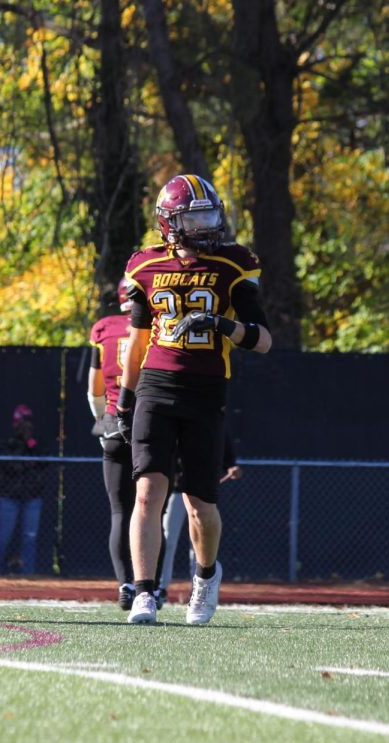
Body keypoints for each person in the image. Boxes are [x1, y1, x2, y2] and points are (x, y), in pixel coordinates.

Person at [115, 173, 272, 625]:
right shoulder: (145, 266)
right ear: (170, 223)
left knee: (199, 504)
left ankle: (205, 576)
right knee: (147, 493)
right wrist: (122, 403)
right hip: (154, 387)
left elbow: (263, 340)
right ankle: (145, 592)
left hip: (206, 390)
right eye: (196, 217)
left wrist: (222, 325)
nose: (208, 225)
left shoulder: (233, 263)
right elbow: (137, 342)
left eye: (209, 214)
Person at [88, 277, 148, 610]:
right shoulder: (157, 325)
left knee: (120, 512)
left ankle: (126, 584)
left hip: (113, 421)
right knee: (151, 509)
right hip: (151, 424)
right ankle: (149, 588)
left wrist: (104, 421)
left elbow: (94, 390)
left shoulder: (104, 328)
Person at [158, 435, 242, 600]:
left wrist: (231, 464)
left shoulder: (211, 417)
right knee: (168, 539)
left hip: (201, 490)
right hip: (177, 490)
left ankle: (199, 588)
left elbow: (221, 440)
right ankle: (160, 587)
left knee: (200, 542)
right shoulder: (172, 419)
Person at [0, 404, 46, 574]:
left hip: (32, 496)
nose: (26, 425)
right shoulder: (8, 441)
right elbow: (8, 465)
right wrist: (23, 455)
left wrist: (30, 443)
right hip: (10, 496)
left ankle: (28, 574)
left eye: (29, 422)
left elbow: (41, 463)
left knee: (29, 538)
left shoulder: (35, 442)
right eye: (23, 421)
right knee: (2, 537)